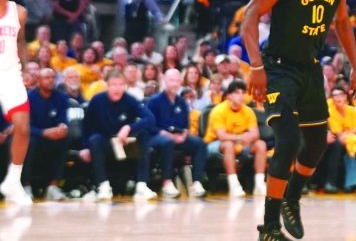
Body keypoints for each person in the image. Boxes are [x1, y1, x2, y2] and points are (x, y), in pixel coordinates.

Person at [242, 0, 356, 241]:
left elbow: (343, 24)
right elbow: (249, 15)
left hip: (311, 68)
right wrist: (256, 66)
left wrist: (355, 67)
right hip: (278, 68)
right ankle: (268, 228)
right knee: (288, 142)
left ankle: (292, 198)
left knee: (316, 144)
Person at [80, 70, 157, 201]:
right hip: (106, 145)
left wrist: (129, 127)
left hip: (125, 145)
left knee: (144, 135)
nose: (117, 88)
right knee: (95, 139)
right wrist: (85, 146)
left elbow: (150, 119)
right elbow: (86, 124)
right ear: (107, 85)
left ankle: (141, 186)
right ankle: (103, 186)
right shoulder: (97, 100)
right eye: (114, 85)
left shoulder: (130, 99)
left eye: (121, 85)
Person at [147, 68, 208, 198]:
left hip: (178, 136)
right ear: (165, 81)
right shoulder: (154, 100)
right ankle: (167, 182)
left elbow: (185, 125)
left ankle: (197, 182)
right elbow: (149, 125)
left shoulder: (182, 102)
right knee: (167, 142)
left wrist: (184, 135)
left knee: (199, 143)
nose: (174, 83)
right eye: (171, 80)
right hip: (156, 136)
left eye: (177, 80)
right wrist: (168, 135)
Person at [0, 0, 32, 206]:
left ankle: (13, 181)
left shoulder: (19, 12)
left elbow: (21, 41)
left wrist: (29, 67)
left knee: (23, 127)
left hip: (10, 74)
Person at [204, 81, 268, 198]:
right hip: (214, 144)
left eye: (243, 93)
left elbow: (256, 133)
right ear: (229, 96)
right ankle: (234, 185)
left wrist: (248, 138)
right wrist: (240, 137)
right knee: (228, 145)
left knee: (261, 144)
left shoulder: (248, 111)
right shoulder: (219, 111)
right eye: (237, 93)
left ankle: (259, 184)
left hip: (240, 142)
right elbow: (222, 135)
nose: (241, 96)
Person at [26, 68, 70, 200]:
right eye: (47, 78)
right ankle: (26, 185)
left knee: (65, 138)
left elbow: (63, 120)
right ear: (39, 81)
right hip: (35, 136)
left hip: (53, 137)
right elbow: (26, 126)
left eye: (52, 77)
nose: (51, 80)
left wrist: (62, 128)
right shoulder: (28, 97)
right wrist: (44, 132)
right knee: (28, 141)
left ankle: (53, 186)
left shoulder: (62, 96)